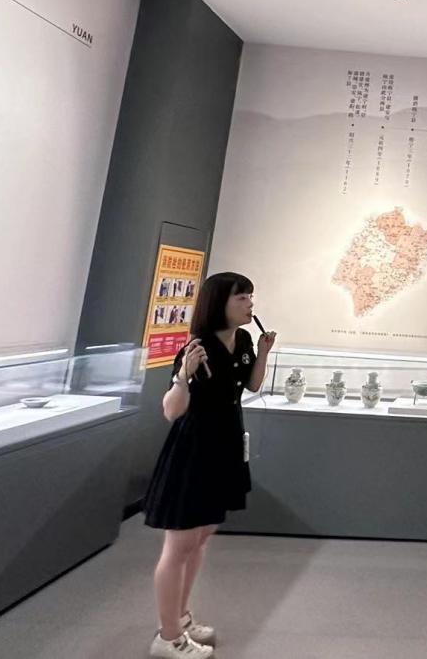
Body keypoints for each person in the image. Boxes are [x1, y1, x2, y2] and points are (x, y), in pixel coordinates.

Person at [142, 272, 276, 659]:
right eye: (242, 298)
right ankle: (167, 637)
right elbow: (171, 411)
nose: (250, 304)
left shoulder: (244, 340)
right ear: (220, 303)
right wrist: (183, 375)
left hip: (225, 448)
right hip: (194, 451)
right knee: (179, 545)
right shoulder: (197, 347)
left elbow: (251, 386)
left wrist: (264, 353)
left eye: (250, 297)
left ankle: (181, 617)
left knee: (200, 539)